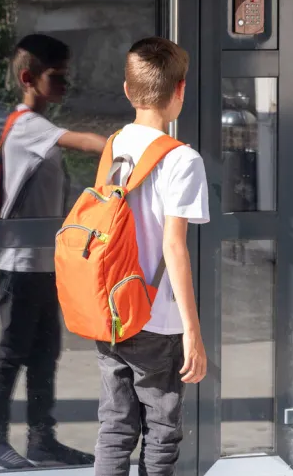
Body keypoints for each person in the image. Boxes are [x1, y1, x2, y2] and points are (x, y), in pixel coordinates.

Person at [0, 34, 107, 470]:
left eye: (68, 76)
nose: (66, 84)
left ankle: (41, 441)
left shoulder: (38, 129)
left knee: (45, 351)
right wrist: (132, 146)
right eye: (57, 76)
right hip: (20, 264)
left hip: (42, 264)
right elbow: (86, 142)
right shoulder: (28, 126)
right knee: (13, 352)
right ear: (29, 78)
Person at [94, 37, 209, 476]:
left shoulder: (115, 144)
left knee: (116, 426)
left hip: (110, 309)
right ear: (180, 91)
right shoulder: (181, 160)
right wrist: (191, 332)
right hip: (156, 319)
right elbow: (174, 246)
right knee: (161, 431)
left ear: (127, 90)